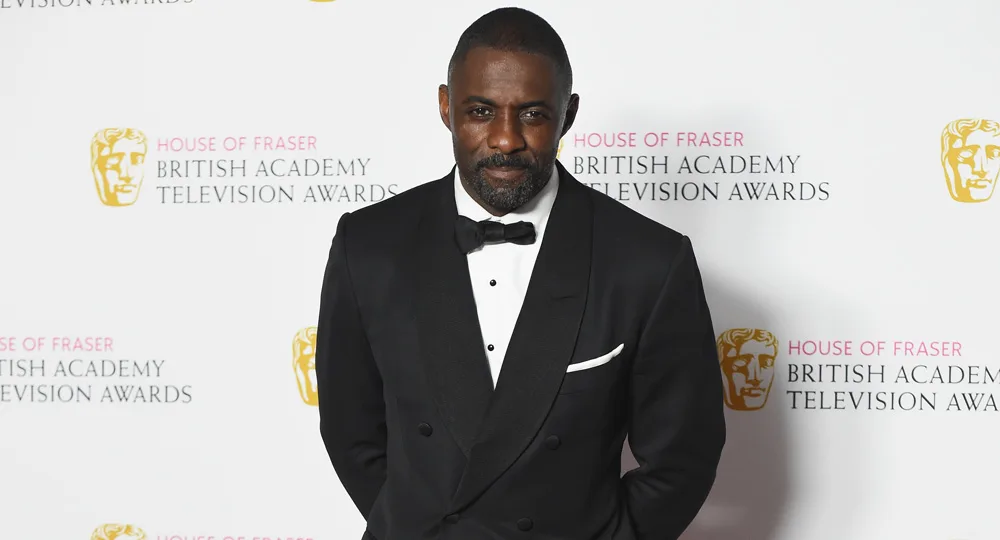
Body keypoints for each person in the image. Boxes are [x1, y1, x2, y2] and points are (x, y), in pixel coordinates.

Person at [315, 7, 726, 540]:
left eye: (532, 114)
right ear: (445, 107)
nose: (506, 140)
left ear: (568, 114)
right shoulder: (368, 245)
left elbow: (683, 459)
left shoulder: (648, 260)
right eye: (481, 111)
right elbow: (352, 432)